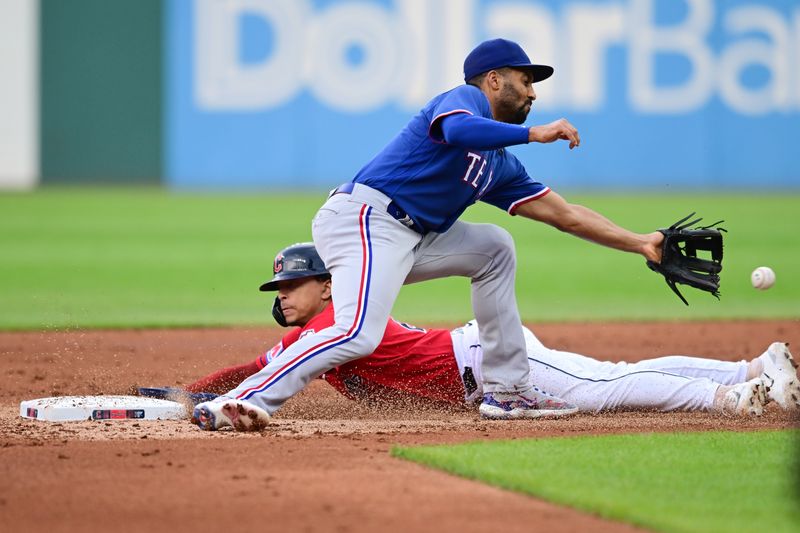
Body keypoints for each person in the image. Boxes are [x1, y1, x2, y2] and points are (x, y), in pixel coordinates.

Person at [193, 38, 668, 428]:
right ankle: (240, 402)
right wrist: (535, 133)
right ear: (493, 79)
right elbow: (460, 132)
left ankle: (507, 392)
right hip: (366, 218)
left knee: (495, 248)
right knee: (357, 333)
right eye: (525, 81)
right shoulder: (462, 100)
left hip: (413, 237)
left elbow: (566, 214)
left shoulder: (499, 164)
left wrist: (640, 242)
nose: (533, 94)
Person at [175, 243, 799, 431]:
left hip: (486, 363)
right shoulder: (315, 332)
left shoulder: (330, 326)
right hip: (478, 362)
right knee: (610, 372)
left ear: (329, 288)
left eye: (293, 286)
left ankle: (729, 398)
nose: (283, 296)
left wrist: (197, 400)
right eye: (279, 291)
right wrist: (189, 392)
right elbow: (251, 369)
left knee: (606, 388)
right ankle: (749, 368)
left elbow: (262, 372)